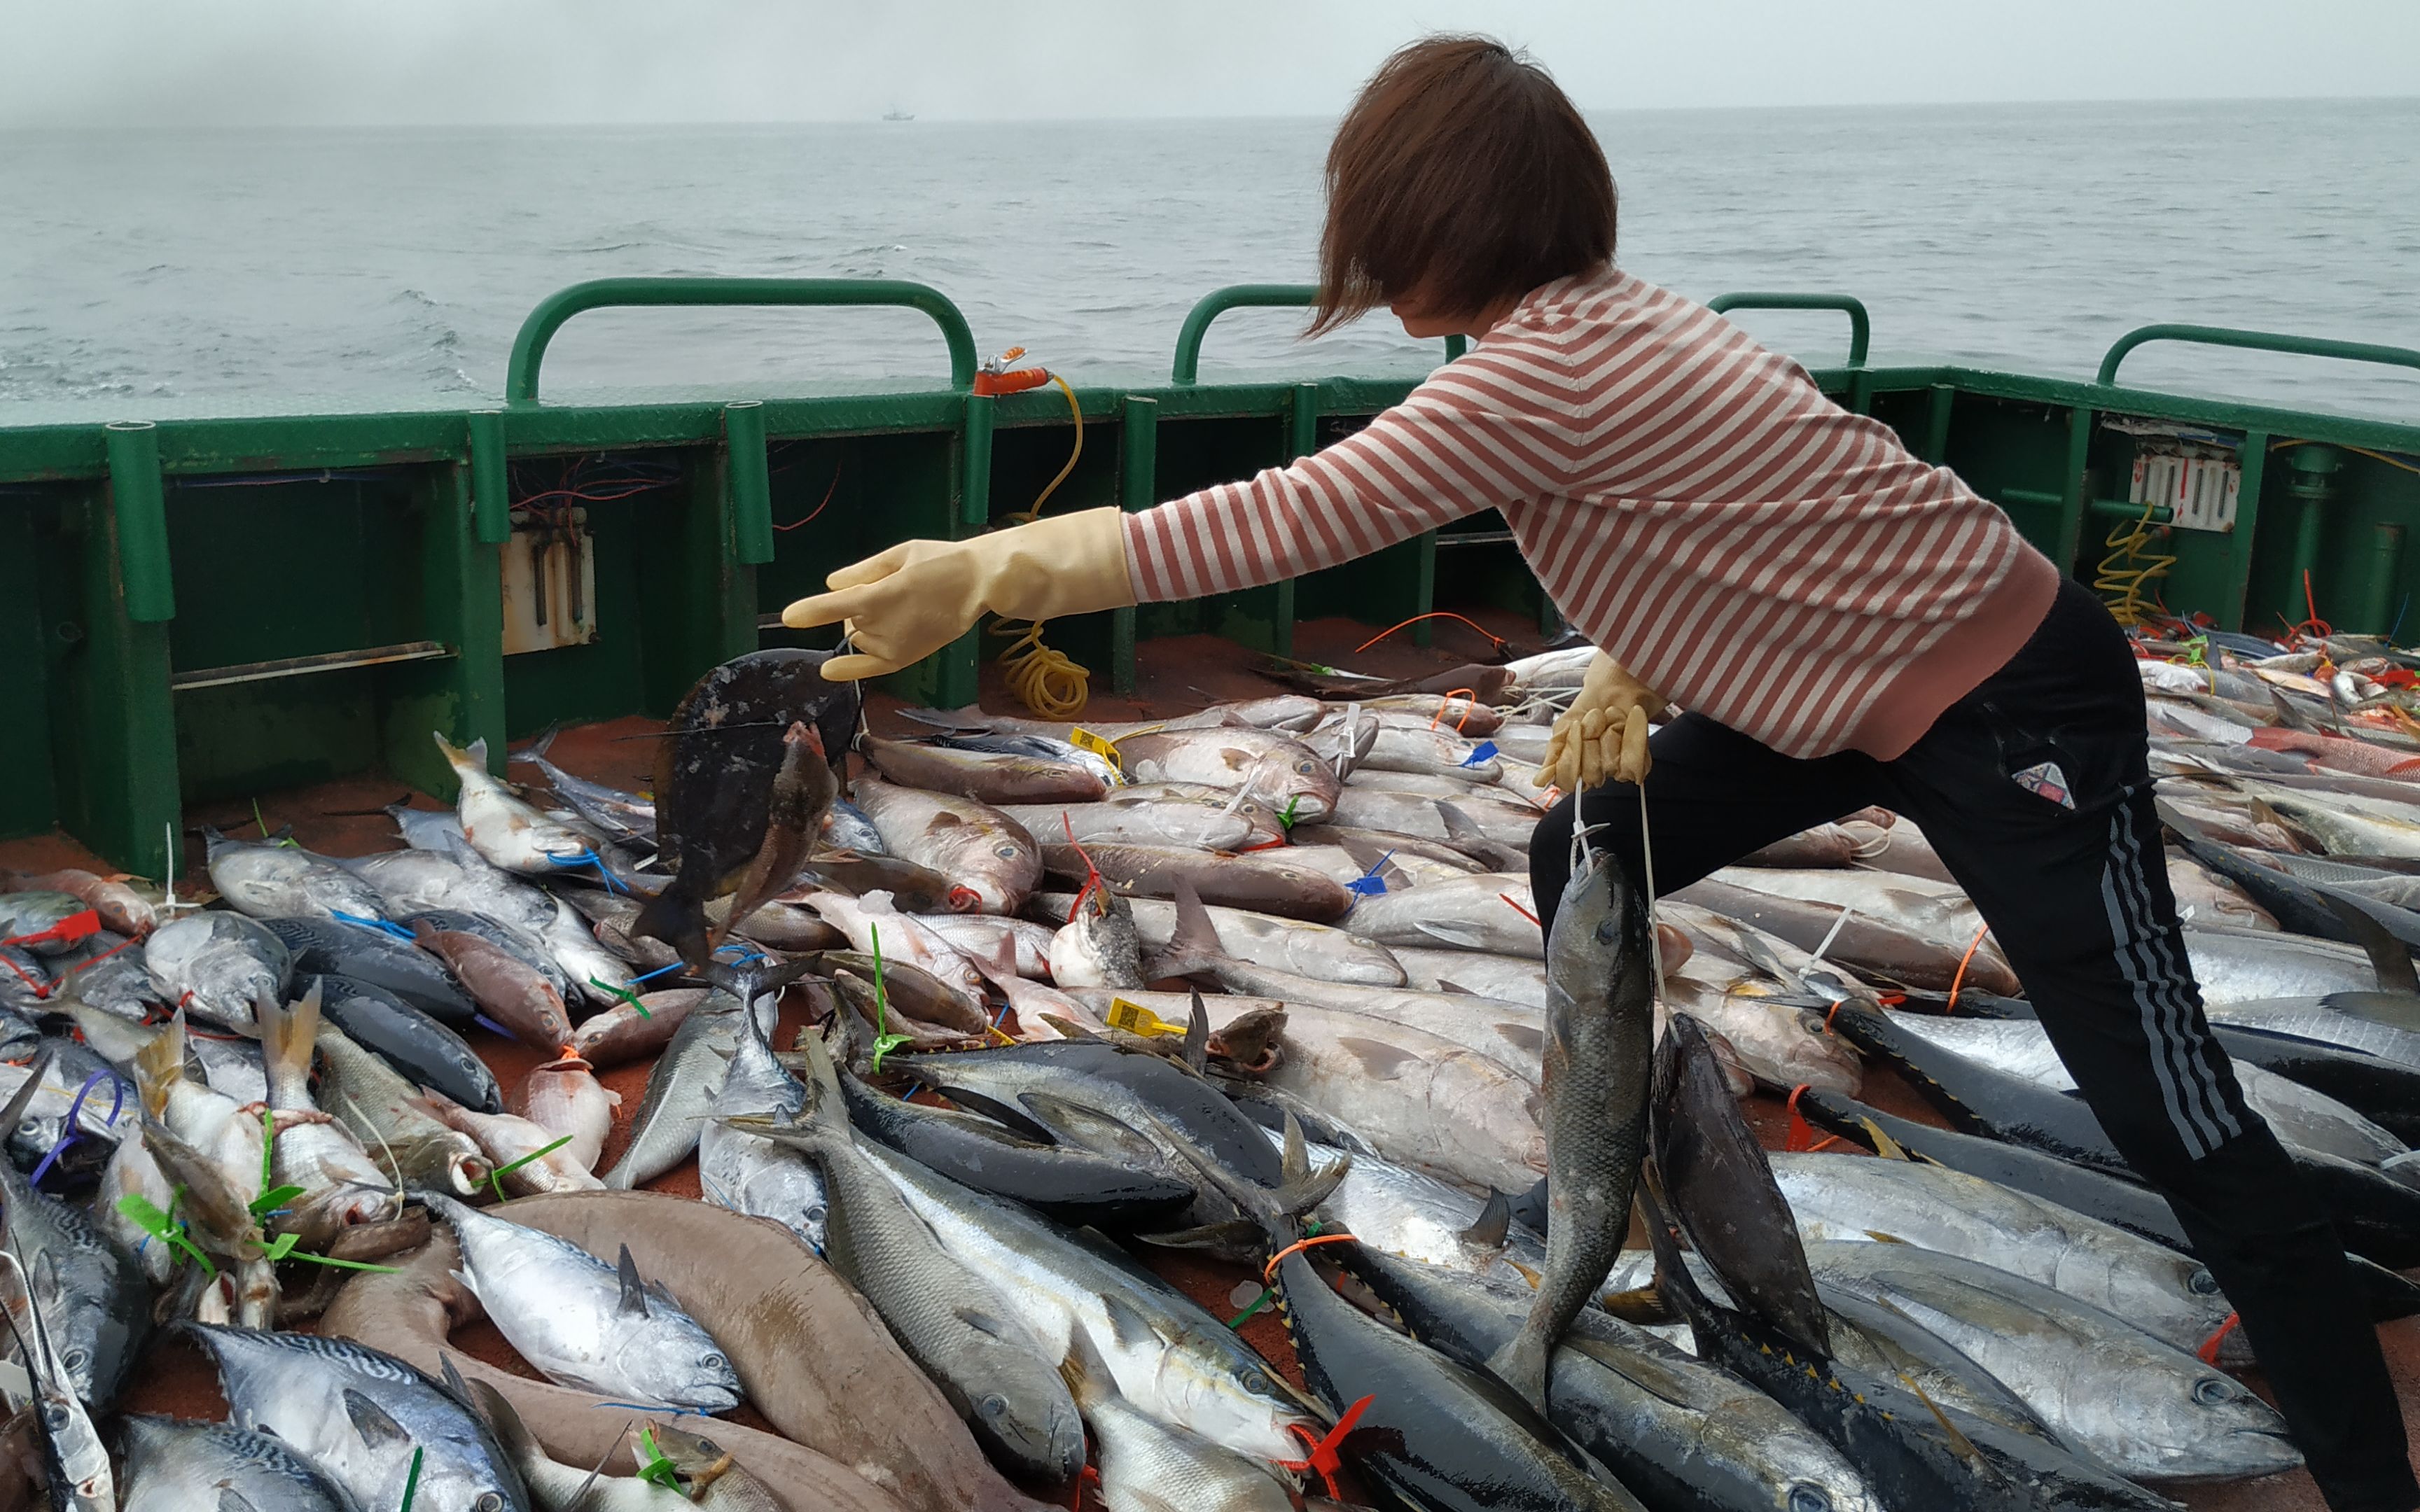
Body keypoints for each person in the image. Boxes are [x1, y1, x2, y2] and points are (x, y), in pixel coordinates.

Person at [783, 34, 2416, 1508]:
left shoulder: (1537, 372)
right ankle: (1611, 1194)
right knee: (1585, 846)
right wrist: (1636, 666)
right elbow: (1739, 509)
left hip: (2012, 715)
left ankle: (2364, 1468)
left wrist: (986, 572)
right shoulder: (1601, 325)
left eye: (1379, 218)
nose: (1364, 252)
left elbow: (1271, 521)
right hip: (1842, 703)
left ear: (1450, 219)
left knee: (2174, 1113)